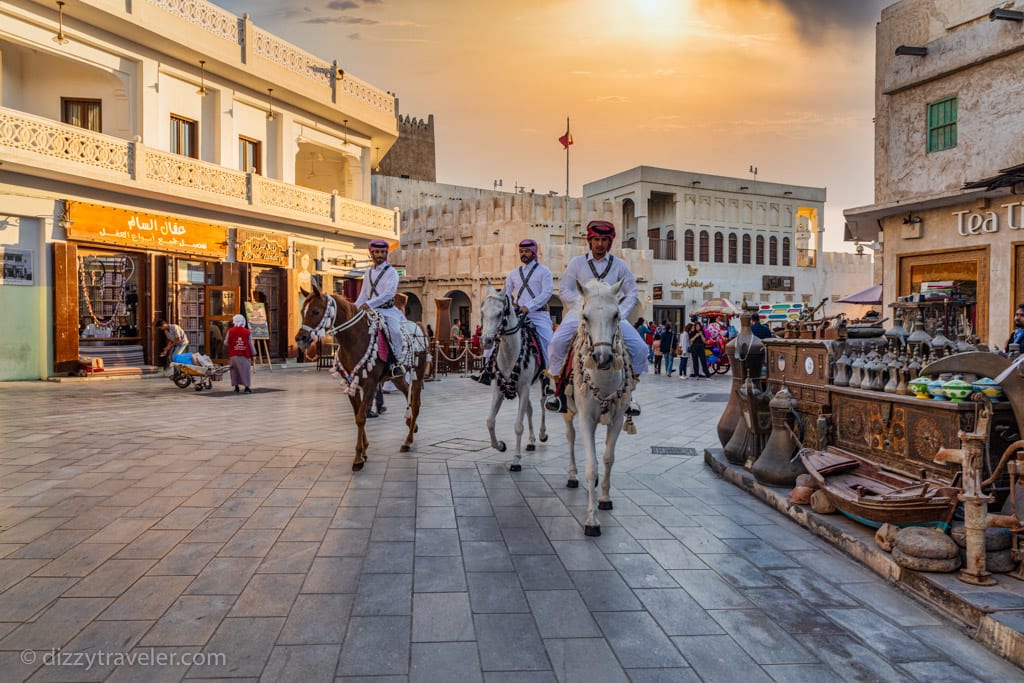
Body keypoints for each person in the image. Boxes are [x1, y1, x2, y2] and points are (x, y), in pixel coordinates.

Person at [545, 220, 646, 414]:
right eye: (597, 239)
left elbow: (632, 292)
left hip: (610, 316)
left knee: (640, 348)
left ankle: (630, 394)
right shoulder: (577, 263)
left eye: (604, 240)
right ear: (589, 241)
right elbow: (564, 288)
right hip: (581, 314)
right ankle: (557, 392)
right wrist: (582, 306)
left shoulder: (619, 265)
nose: (600, 244)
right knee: (556, 343)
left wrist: (620, 313)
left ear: (610, 242)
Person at [474, 238, 554, 386]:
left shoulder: (544, 272)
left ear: (534, 252)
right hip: (517, 315)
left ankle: (547, 378)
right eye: (521, 251)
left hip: (538, 315)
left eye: (527, 251)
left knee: (549, 342)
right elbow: (506, 294)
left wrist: (529, 306)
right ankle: (486, 370)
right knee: (495, 333)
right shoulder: (513, 274)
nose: (524, 254)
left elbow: (547, 293)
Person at [355, 239, 405, 369]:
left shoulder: (392, 272)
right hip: (370, 312)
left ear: (386, 253)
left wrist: (368, 304)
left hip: (387, 311)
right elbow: (363, 295)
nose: (380, 255)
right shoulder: (368, 273)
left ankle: (398, 362)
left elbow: (389, 294)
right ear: (371, 254)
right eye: (377, 252)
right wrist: (353, 309)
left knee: (395, 332)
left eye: (383, 252)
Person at [225, 314, 255, 394]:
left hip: (233, 355)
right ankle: (246, 387)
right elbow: (250, 344)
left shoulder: (230, 331)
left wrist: (233, 345)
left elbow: (226, 342)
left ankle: (236, 387)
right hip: (244, 355)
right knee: (245, 371)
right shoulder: (247, 332)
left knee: (235, 371)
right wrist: (254, 354)